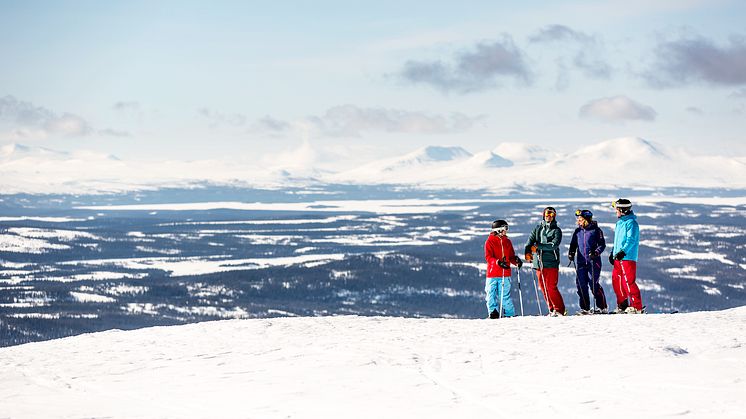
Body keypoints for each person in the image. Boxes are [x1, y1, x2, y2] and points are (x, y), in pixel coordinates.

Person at [524, 207, 565, 316]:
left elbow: (554, 245)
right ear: (543, 215)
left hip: (551, 262)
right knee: (543, 287)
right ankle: (552, 309)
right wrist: (527, 253)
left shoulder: (556, 230)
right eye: (547, 213)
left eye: (552, 214)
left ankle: (560, 310)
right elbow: (529, 242)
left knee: (551, 286)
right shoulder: (537, 229)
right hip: (539, 262)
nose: (549, 216)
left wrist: (538, 247)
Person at [568, 209, 608, 314]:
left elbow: (602, 244)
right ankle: (585, 308)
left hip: (594, 262)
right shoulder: (578, 231)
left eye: (580, 219)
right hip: (581, 262)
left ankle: (602, 307)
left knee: (593, 284)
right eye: (578, 219)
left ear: (586, 219)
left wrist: (596, 252)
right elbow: (573, 244)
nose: (578, 221)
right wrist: (571, 253)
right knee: (581, 285)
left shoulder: (596, 231)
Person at [609, 199, 644, 314]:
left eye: (617, 209)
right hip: (618, 257)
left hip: (627, 257)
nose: (615, 211)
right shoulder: (619, 223)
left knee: (628, 282)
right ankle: (623, 306)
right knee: (617, 281)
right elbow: (617, 241)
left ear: (622, 210)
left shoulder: (631, 223)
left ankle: (636, 307)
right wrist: (613, 252)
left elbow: (631, 240)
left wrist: (623, 252)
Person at [484, 219, 523, 319]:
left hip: (505, 273)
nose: (506, 231)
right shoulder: (489, 242)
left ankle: (509, 314)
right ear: (498, 230)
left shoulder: (507, 242)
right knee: (490, 295)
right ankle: (493, 313)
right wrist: (498, 262)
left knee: (504, 296)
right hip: (492, 274)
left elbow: (511, 256)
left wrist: (516, 261)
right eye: (505, 228)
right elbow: (488, 257)